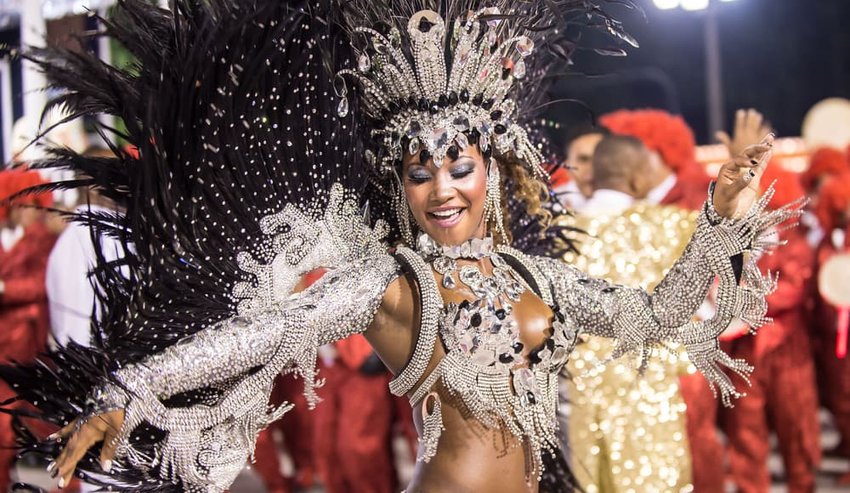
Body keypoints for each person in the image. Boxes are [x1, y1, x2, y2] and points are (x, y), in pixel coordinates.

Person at [0, 2, 799, 493]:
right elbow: (261, 333)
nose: (442, 188)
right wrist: (130, 389)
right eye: (420, 173)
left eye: (459, 165)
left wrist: (719, 221)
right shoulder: (388, 281)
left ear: (491, 167)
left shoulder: (540, 277)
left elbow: (658, 314)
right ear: (399, 185)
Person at [559, 135, 695, 493]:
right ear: (637, 179)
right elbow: (739, 239)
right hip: (647, 391)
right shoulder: (663, 225)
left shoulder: (559, 234)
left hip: (580, 391)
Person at [721, 164, 820, 493]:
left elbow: (792, 288)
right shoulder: (731, 245)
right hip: (743, 353)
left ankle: (802, 485)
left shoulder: (795, 242)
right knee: (744, 432)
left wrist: (744, 302)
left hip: (787, 351)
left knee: (797, 429)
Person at [0, 169, 57, 491]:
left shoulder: (44, 241)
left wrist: (5, 288)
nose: (24, 210)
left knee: (52, 427)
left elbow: (39, 285)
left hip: (31, 350)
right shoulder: (7, 241)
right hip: (5, 350)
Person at [555, 124, 610, 212]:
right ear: (566, 164)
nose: (592, 169)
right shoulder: (547, 210)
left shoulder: (632, 206)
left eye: (599, 159)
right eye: (583, 159)